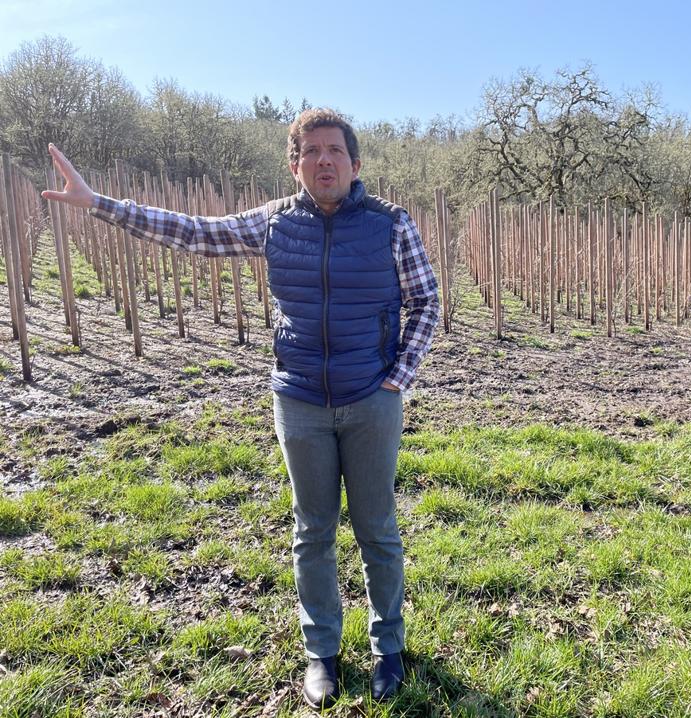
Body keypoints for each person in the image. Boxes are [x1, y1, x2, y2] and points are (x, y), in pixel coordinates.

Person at [42, 108, 440, 710]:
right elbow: (193, 232)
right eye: (311, 151)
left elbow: (427, 302)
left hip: (370, 400)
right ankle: (322, 653)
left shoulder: (390, 225)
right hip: (299, 399)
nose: (324, 160)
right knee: (312, 532)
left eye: (334, 150)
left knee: (378, 530)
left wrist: (397, 377)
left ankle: (388, 647)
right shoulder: (274, 223)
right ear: (295, 163)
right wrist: (100, 203)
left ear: (355, 164)